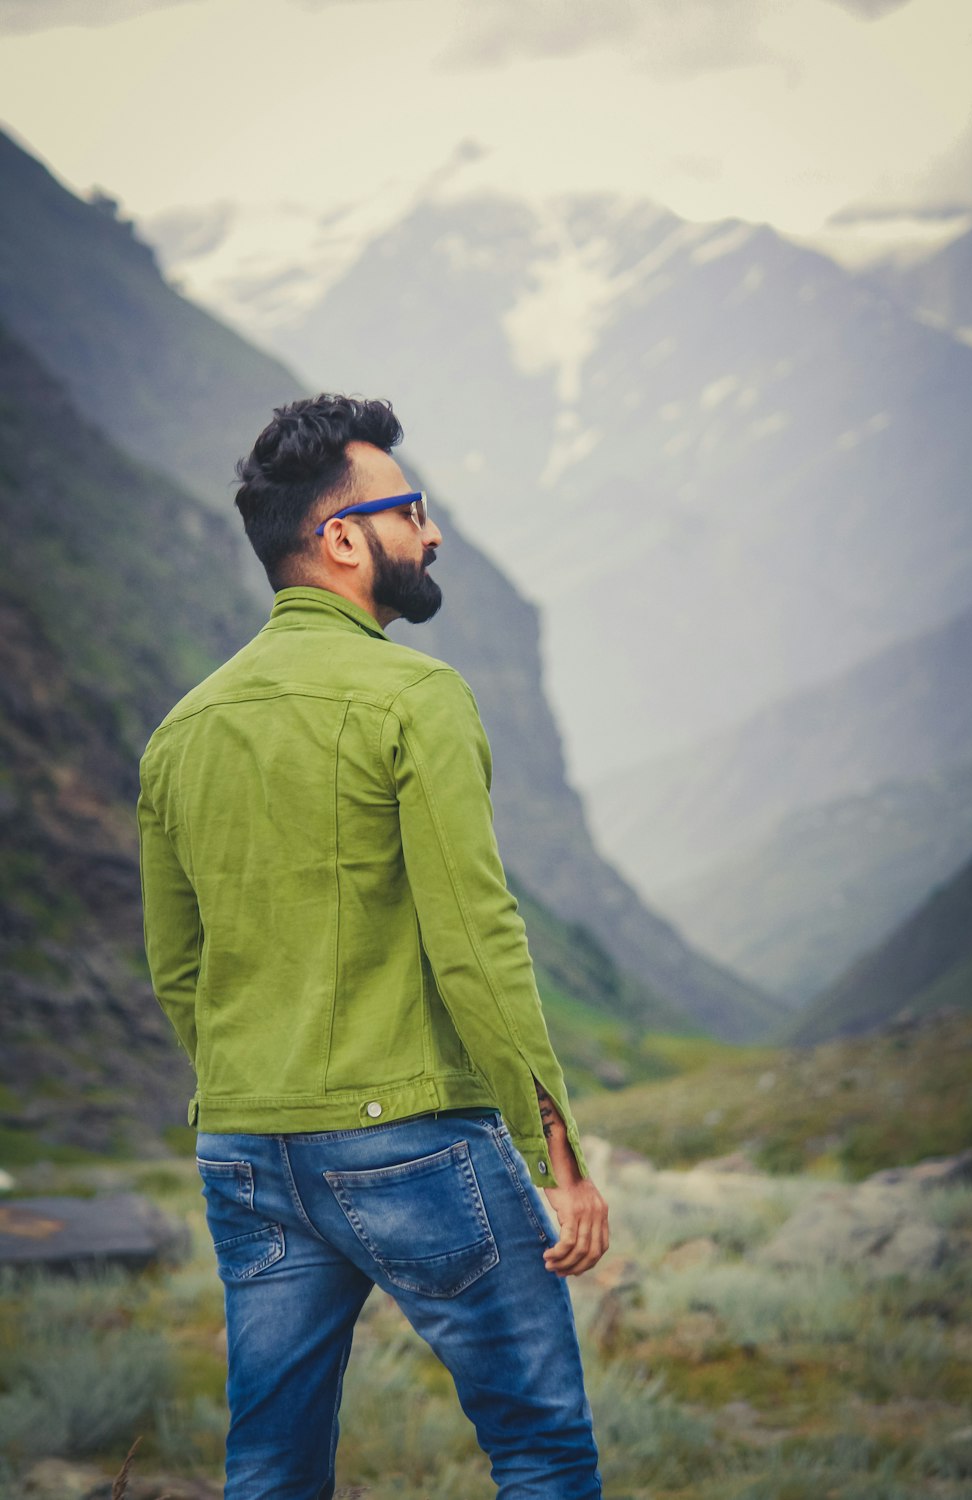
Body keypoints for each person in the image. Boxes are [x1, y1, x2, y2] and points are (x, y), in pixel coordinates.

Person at [137, 394, 609, 1500]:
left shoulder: (182, 731)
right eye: (412, 510)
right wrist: (562, 1162)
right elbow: (477, 944)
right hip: (411, 1143)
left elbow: (175, 968)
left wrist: (258, 1081)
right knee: (539, 1447)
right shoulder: (418, 697)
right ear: (343, 537)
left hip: (248, 1147)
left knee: (268, 1461)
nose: (432, 532)